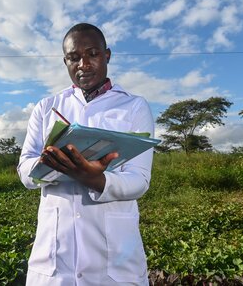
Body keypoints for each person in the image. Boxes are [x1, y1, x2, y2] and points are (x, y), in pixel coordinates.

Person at [17, 23, 154, 285]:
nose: (84, 64)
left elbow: (139, 180)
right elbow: (25, 170)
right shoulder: (46, 107)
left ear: (107, 55)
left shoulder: (134, 106)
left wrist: (96, 179)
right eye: (74, 57)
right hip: (55, 262)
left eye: (92, 54)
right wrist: (51, 164)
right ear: (65, 61)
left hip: (115, 264)